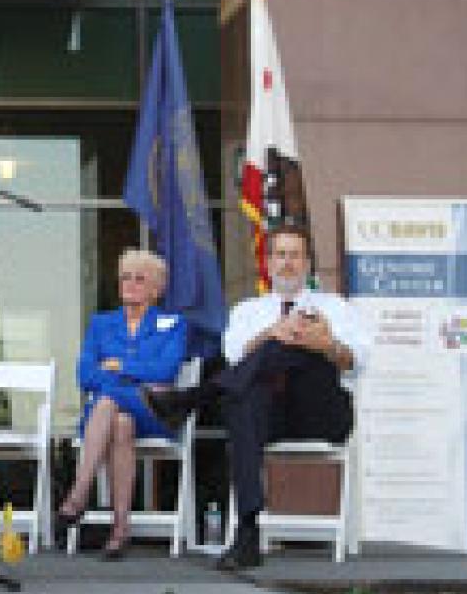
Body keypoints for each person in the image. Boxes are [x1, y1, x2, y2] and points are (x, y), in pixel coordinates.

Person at [147, 224, 366, 570]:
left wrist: (325, 344)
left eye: (296, 255)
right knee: (242, 398)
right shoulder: (248, 310)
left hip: (321, 412)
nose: (288, 263)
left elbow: (358, 362)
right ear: (268, 262)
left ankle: (190, 401)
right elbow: (235, 359)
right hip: (270, 416)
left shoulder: (335, 307)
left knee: (294, 343)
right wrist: (270, 333)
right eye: (281, 255)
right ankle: (248, 532)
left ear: (308, 264)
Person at [52, 249, 188, 559]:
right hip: (113, 417)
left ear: (156, 290)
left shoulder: (173, 323)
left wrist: (119, 366)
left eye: (139, 279)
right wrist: (134, 370)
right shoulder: (101, 324)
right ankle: (120, 530)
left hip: (152, 411)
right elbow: (85, 374)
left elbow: (166, 370)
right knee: (120, 423)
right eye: (125, 277)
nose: (129, 284)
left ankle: (77, 496)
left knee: (109, 398)